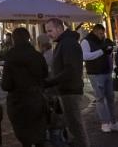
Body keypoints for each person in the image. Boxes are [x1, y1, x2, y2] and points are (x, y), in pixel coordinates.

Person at [44, 18, 90, 147]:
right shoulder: (63, 42)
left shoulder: (68, 43)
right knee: (71, 124)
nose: (48, 34)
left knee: (75, 125)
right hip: (66, 90)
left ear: (59, 28)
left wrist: (51, 82)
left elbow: (70, 70)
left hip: (70, 91)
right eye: (47, 31)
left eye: (50, 30)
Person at [1, 27, 48, 147]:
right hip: (36, 99)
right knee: (38, 134)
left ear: (14, 39)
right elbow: (45, 76)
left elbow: (6, 85)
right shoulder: (37, 56)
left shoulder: (10, 57)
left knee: (24, 136)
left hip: (17, 102)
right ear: (28, 38)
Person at [81, 24, 118, 133]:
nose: (103, 35)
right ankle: (105, 123)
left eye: (103, 33)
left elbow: (107, 53)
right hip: (96, 73)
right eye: (101, 33)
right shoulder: (86, 41)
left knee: (110, 98)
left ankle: (113, 122)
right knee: (100, 98)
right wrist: (102, 51)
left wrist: (109, 49)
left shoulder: (104, 40)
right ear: (95, 32)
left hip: (106, 72)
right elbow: (85, 56)